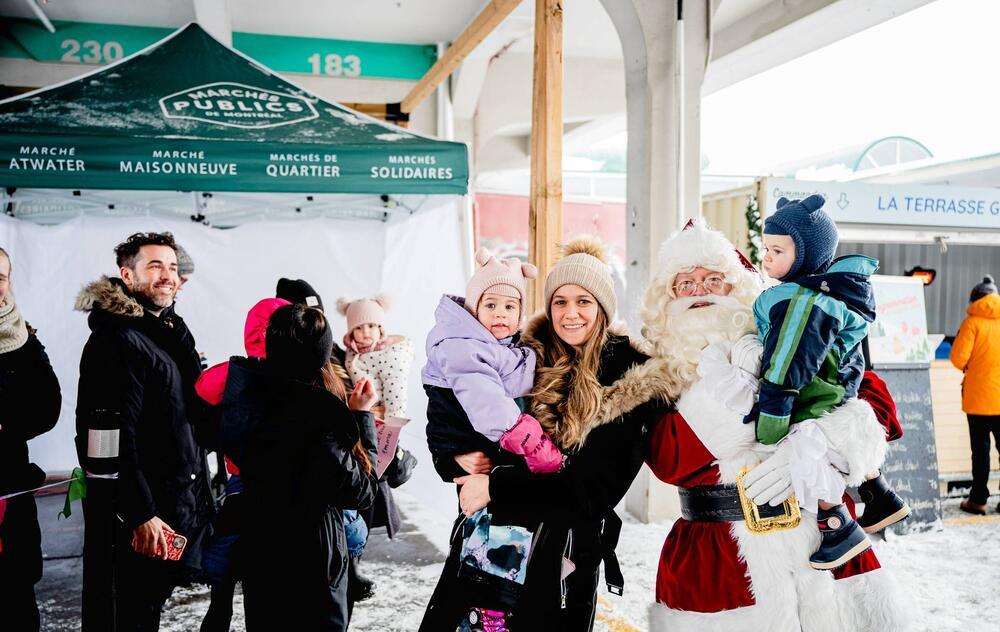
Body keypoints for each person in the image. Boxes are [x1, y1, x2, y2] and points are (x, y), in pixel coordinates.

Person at [597, 219, 908, 630]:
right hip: (720, 564)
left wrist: (823, 441)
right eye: (684, 283)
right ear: (666, 299)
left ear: (739, 288)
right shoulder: (656, 371)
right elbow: (668, 459)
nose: (699, 291)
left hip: (823, 542)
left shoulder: (788, 338)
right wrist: (729, 397)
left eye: (713, 279)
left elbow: (875, 397)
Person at [421, 237, 661, 631]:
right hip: (492, 550)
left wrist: (496, 485)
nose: (570, 314)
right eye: (560, 302)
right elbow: (459, 412)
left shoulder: (629, 377)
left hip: (560, 561)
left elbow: (592, 493)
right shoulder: (524, 355)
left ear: (602, 307)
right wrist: (453, 459)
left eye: (583, 301)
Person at [751, 194, 909, 568]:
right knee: (835, 443)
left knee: (806, 452)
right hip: (837, 398)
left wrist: (772, 415)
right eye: (766, 249)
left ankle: (835, 522)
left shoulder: (801, 302)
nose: (767, 257)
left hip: (810, 402)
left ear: (805, 256)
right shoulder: (835, 295)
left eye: (777, 250)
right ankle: (879, 494)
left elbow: (788, 361)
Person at [74, 232, 213, 632]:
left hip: (171, 498)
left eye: (171, 267)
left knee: (147, 607)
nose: (167, 275)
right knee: (127, 612)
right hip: (138, 510)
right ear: (127, 275)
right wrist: (139, 513)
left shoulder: (166, 329)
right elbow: (107, 437)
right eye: (154, 266)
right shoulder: (116, 340)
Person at [219, 303, 379, 631]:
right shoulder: (317, 422)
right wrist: (361, 418)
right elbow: (363, 491)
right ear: (321, 357)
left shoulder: (246, 399)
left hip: (261, 546)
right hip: (314, 559)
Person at [424, 246, 562, 485]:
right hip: (480, 459)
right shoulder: (464, 347)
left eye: (509, 307)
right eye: (490, 305)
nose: (500, 314)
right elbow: (490, 405)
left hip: (500, 460)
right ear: (474, 310)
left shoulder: (514, 348)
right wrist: (537, 447)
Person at [194, 297, 290, 632]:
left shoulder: (232, 372)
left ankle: (220, 604)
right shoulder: (304, 375)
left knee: (228, 545)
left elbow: (202, 389)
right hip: (288, 485)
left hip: (241, 479)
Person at [0, 246, 61, 632]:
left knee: (16, 602)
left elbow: (47, 406)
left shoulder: (21, 335)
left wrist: (6, 424)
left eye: (0, 277)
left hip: (10, 492)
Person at [950, 274, 1000, 515]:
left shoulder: (972, 323)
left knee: (980, 452)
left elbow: (958, 358)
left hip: (979, 399)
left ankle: (978, 500)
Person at [337, 293, 414, 418]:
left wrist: (393, 421)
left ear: (380, 329)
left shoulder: (388, 354)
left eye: (371, 326)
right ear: (351, 332)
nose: (365, 332)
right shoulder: (352, 351)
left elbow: (396, 387)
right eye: (358, 328)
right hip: (360, 412)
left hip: (382, 415)